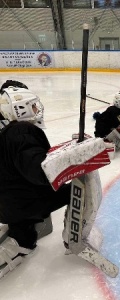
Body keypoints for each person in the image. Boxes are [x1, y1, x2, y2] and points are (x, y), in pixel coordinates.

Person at [0, 83, 71, 278]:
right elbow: (41, 172)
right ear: (19, 109)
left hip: (10, 202)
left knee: (25, 232)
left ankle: (23, 234)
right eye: (32, 106)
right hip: (23, 203)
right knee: (75, 190)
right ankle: (73, 236)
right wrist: (70, 160)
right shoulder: (21, 131)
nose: (36, 110)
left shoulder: (9, 132)